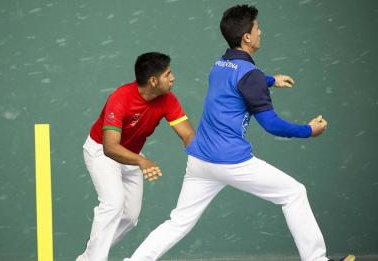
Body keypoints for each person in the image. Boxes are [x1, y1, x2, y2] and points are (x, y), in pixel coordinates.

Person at [125, 5, 354, 261]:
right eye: (257, 27)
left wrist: (270, 80)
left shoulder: (220, 63)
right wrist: (308, 130)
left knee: (178, 221)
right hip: (231, 162)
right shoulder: (250, 76)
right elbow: (271, 124)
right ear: (247, 36)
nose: (260, 31)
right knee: (294, 193)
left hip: (200, 161)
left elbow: (238, 82)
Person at [76, 52, 195, 261]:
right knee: (113, 204)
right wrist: (141, 161)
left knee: (130, 217)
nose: (173, 77)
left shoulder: (167, 99)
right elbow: (110, 147)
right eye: (168, 74)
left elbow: (187, 134)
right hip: (101, 152)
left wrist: (204, 158)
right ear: (153, 80)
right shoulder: (120, 98)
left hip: (131, 155)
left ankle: (89, 256)